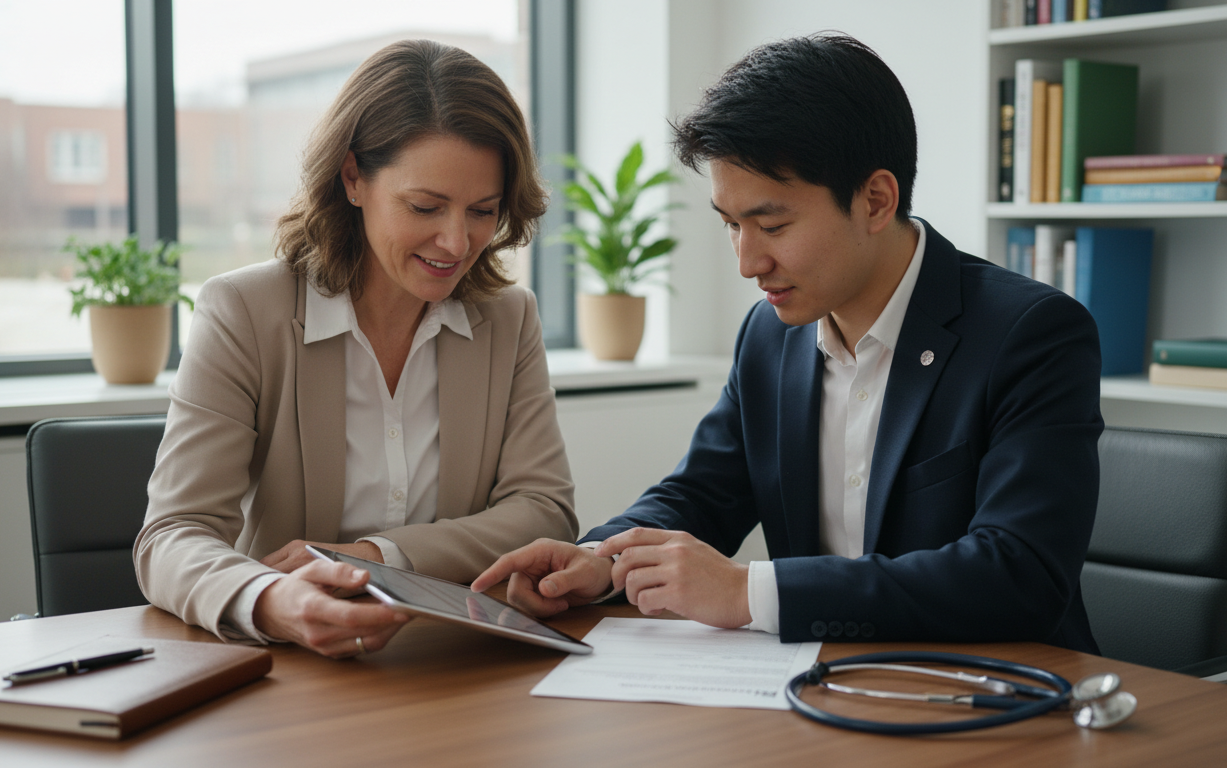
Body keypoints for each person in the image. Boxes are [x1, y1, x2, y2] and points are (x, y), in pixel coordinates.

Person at [473, 33, 1103, 653]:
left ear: (876, 200)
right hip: (821, 687)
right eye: (731, 224)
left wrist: (749, 592)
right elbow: (702, 494)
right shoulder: (770, 336)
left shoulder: (1031, 335)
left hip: (996, 688)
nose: (748, 263)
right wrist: (601, 560)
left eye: (772, 225)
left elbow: (1021, 574)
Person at [135, 39, 577, 658]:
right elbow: (172, 535)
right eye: (425, 206)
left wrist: (376, 558)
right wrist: (273, 598)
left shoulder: (507, 318)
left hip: (448, 659)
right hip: (293, 662)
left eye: (483, 210)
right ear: (353, 178)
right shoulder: (244, 312)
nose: (456, 242)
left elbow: (544, 510)